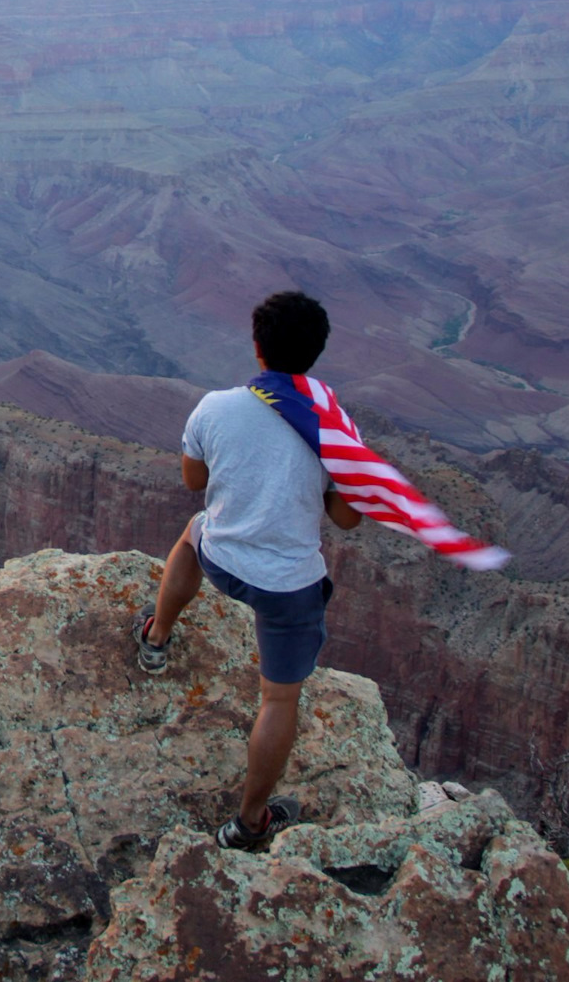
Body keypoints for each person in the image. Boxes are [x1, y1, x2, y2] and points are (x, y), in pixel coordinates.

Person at [133, 290, 362, 851]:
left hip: (223, 559)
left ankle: (156, 638)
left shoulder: (216, 407)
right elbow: (346, 518)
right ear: (315, 354)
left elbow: (194, 483)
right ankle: (250, 820)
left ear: (257, 349)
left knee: (191, 534)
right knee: (279, 701)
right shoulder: (330, 425)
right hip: (288, 588)